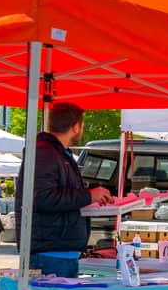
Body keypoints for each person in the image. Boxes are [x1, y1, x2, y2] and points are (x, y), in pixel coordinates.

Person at [16, 102, 113, 272]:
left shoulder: (59, 153)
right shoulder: (45, 152)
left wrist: (90, 199)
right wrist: (89, 196)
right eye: (82, 125)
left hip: (60, 250)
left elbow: (58, 195)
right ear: (76, 126)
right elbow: (42, 197)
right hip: (49, 252)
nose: (82, 130)